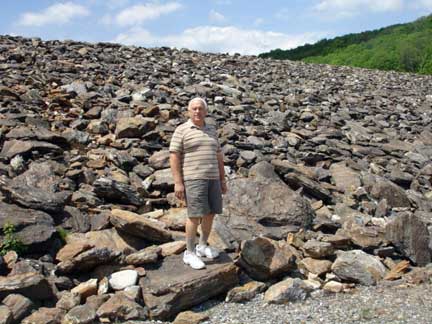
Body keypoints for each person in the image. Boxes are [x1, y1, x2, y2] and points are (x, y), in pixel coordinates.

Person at [169, 97, 227, 269]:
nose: (197, 111)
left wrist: (222, 179)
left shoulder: (211, 130)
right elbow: (174, 155)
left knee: (210, 213)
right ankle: (189, 252)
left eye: (200, 108)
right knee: (194, 215)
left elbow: (218, 156)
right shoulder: (182, 130)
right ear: (188, 111)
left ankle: (202, 245)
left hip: (213, 178)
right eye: (194, 108)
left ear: (206, 111)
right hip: (194, 178)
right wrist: (178, 182)